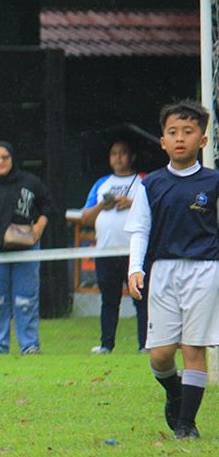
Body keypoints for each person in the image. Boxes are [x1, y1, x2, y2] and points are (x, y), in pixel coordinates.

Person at [126, 99, 219, 441]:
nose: (180, 138)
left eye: (188, 131)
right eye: (172, 132)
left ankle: (186, 425)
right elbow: (140, 230)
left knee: (194, 348)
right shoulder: (151, 184)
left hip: (205, 271)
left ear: (203, 140)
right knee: (162, 355)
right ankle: (174, 391)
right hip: (163, 272)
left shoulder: (213, 182)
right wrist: (135, 268)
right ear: (162, 141)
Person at [0, 141, 54, 355]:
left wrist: (40, 225)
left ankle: (30, 345)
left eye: (5, 157)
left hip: (25, 248)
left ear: (13, 159)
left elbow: (48, 203)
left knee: (26, 299)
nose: (1, 162)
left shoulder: (29, 182)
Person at [81, 139, 147, 354]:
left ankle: (145, 345)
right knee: (109, 301)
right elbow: (86, 219)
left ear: (132, 157)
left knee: (142, 300)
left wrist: (131, 203)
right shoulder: (102, 183)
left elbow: (157, 210)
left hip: (135, 252)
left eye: (123, 153)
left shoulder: (144, 181)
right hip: (106, 252)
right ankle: (106, 344)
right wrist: (102, 205)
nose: (118, 158)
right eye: (114, 153)